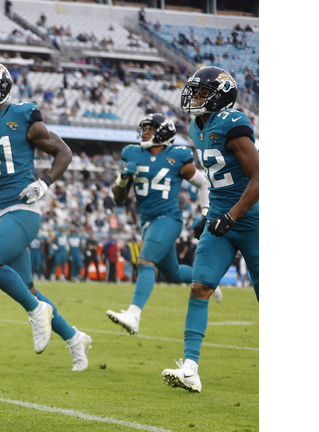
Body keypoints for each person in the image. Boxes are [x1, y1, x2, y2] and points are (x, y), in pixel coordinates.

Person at [0, 61, 91, 371]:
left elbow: (63, 152)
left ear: (3, 87)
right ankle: (74, 338)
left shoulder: (23, 116)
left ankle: (37, 312)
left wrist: (45, 183)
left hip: (22, 209)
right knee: (28, 290)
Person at [161, 66, 258, 393]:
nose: (195, 97)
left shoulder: (234, 124)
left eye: (203, 93)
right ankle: (190, 369)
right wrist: (210, 213)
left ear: (221, 96)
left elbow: (260, 178)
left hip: (252, 220)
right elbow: (218, 180)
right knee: (200, 286)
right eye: (195, 91)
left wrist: (230, 216)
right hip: (221, 219)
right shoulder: (195, 125)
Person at [106, 113, 215, 336]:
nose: (145, 131)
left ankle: (134, 315)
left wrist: (206, 212)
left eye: (151, 128)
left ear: (164, 133)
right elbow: (118, 198)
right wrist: (124, 178)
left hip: (168, 219)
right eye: (144, 127)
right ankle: (208, 279)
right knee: (172, 274)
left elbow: (204, 184)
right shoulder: (133, 153)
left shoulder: (178, 157)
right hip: (146, 223)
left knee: (145, 261)